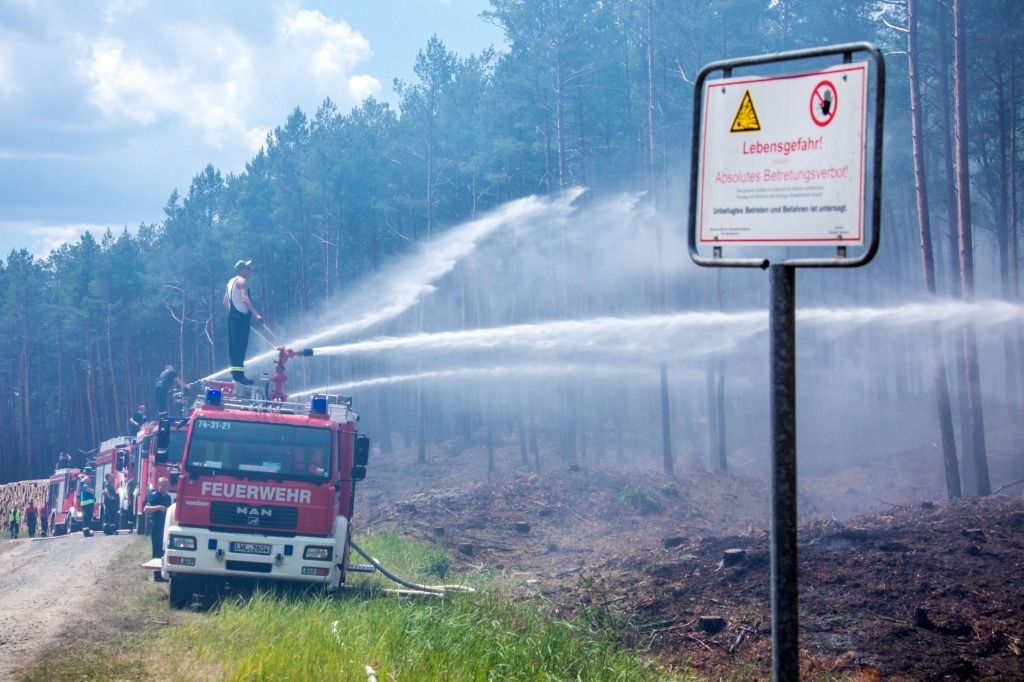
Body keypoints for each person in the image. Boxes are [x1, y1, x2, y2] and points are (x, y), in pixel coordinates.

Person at [223, 259, 264, 385]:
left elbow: (224, 302)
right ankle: (239, 377)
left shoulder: (230, 282)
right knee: (240, 348)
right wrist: (256, 314)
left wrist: (233, 316)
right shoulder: (242, 281)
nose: (250, 270)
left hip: (232, 317)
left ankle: (236, 375)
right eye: (248, 268)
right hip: (241, 318)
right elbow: (244, 298)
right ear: (242, 270)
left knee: (234, 348)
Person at [143, 477, 173, 581]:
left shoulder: (168, 497)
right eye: (162, 485)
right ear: (158, 485)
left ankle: (164, 574)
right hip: (157, 528)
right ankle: (157, 576)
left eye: (166, 485)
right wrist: (159, 507)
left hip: (165, 528)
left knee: (164, 552)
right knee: (157, 552)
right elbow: (146, 509)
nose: (164, 487)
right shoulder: (155, 496)